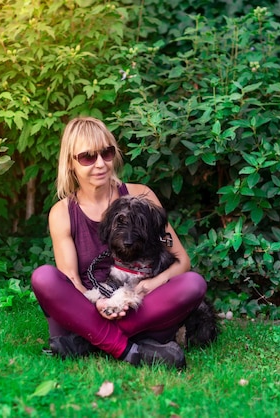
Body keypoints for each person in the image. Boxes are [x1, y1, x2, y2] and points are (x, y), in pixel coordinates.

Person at [31, 116, 207, 369]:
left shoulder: (142, 197)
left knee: (193, 284)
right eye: (87, 157)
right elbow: (71, 280)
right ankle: (133, 350)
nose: (101, 164)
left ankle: (88, 342)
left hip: (137, 307)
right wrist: (101, 304)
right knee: (44, 278)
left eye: (107, 153)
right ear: (70, 163)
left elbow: (182, 261)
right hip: (88, 307)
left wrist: (150, 284)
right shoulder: (62, 212)